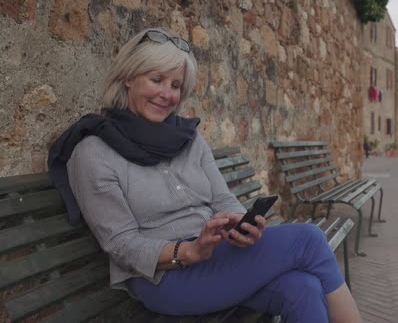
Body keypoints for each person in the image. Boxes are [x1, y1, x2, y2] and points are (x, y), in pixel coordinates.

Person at [47, 28, 362, 323]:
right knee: (308, 240)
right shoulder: (93, 152)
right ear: (129, 76)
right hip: (165, 278)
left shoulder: (186, 138)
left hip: (220, 258)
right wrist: (189, 251)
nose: (167, 95)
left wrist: (242, 224)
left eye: (175, 86)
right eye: (156, 79)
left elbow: (223, 198)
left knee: (302, 288)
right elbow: (121, 244)